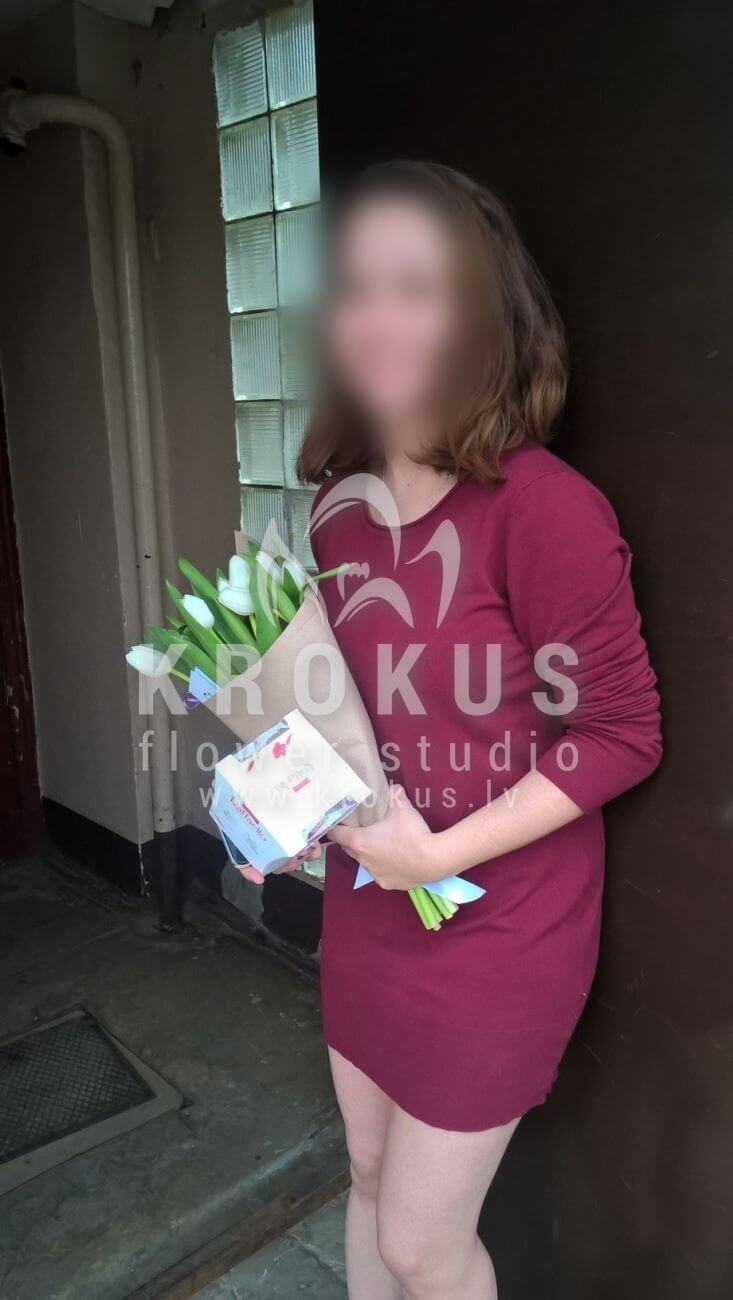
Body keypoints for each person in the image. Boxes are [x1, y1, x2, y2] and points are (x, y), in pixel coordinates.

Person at [244, 161, 662, 1300]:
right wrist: (279, 808)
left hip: (501, 923)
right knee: (367, 1176)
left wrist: (433, 856)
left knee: (423, 1244)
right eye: (353, 288)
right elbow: (344, 716)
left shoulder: (544, 508)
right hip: (370, 902)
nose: (376, 317)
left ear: (482, 312)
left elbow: (622, 731)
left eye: (415, 286)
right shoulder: (338, 511)